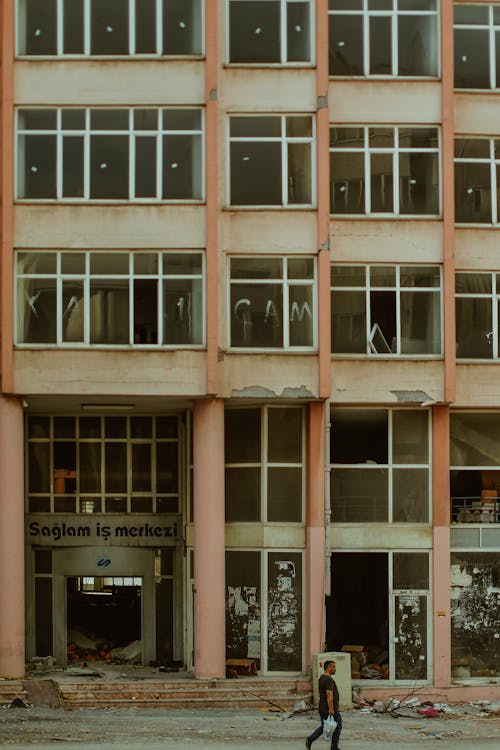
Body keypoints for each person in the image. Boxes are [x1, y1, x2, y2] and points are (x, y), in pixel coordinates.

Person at [305, 660, 342, 750]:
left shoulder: (322, 678)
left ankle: (310, 739)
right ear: (328, 668)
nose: (335, 669)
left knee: (325, 726)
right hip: (328, 708)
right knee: (338, 726)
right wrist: (331, 708)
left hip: (323, 707)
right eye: (333, 667)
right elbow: (329, 694)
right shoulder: (328, 679)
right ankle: (334, 747)